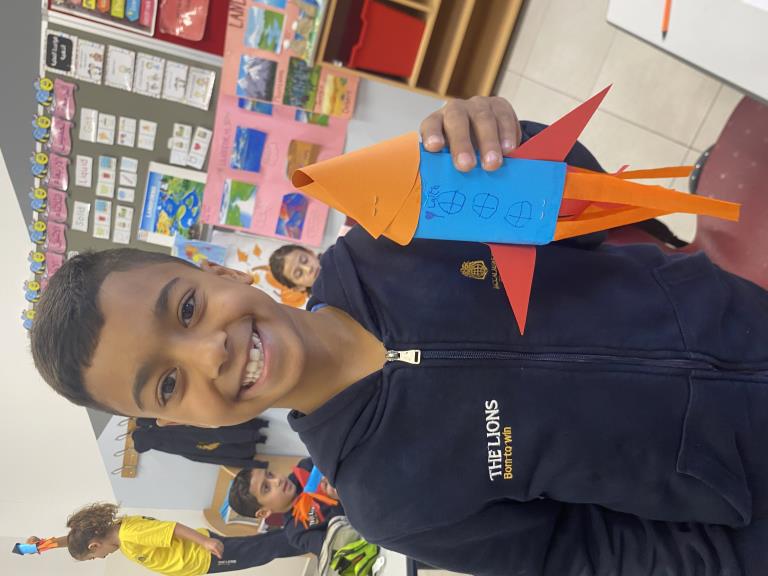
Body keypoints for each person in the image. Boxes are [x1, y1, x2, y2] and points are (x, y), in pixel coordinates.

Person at [29, 97, 768, 575]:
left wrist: (507, 142)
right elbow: (591, 558)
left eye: (187, 308)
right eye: (167, 383)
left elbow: (585, 207)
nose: (209, 352)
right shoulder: (389, 501)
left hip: (742, 310)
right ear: (174, 422)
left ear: (214, 270)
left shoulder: (397, 226)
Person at [28, 502, 300, 575]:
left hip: (204, 555)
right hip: (200, 559)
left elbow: (172, 528)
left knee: (262, 551)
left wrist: (205, 543)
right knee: (260, 548)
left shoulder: (130, 534)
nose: (98, 559)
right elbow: (77, 537)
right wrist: (40, 546)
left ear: (94, 545)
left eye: (92, 557)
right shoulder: (118, 531)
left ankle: (309, 537)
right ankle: (304, 534)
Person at [228, 457, 344, 557]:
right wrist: (340, 499)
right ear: (264, 513)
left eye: (270, 474)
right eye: (266, 488)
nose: (277, 480)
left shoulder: (305, 467)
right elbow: (340, 548)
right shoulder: (298, 533)